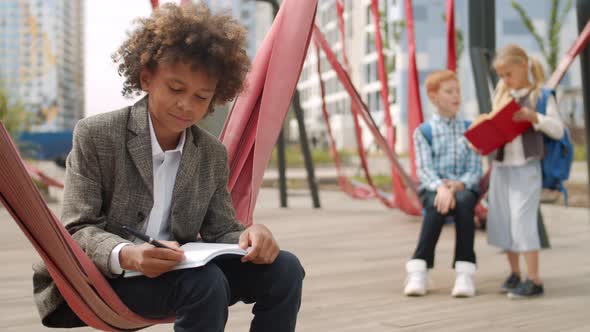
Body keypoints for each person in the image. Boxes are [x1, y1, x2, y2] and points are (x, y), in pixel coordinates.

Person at [31, 4, 305, 331]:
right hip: (105, 280)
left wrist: (250, 235)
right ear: (146, 77)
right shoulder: (97, 135)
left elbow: (222, 232)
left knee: (285, 268)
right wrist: (128, 255)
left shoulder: (210, 153)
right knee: (205, 283)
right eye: (176, 89)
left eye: (201, 97)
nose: (186, 105)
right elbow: (76, 230)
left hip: (184, 273)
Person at [486, 44, 564, 299]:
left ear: (523, 66)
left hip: (526, 168)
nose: (504, 80)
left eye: (508, 74)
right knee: (504, 222)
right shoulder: (502, 94)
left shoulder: (541, 95)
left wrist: (535, 118)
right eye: (501, 76)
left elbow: (559, 130)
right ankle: (515, 273)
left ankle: (535, 279)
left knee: (523, 222)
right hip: (501, 167)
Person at [404, 70, 482, 298]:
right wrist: (440, 188)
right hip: (433, 188)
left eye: (458, 91)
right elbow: (425, 169)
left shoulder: (471, 129)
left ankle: (464, 272)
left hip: (462, 187)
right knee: (437, 207)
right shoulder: (424, 132)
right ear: (433, 96)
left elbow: (475, 169)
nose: (456, 96)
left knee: (465, 203)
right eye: (449, 91)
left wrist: (457, 186)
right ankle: (420, 269)